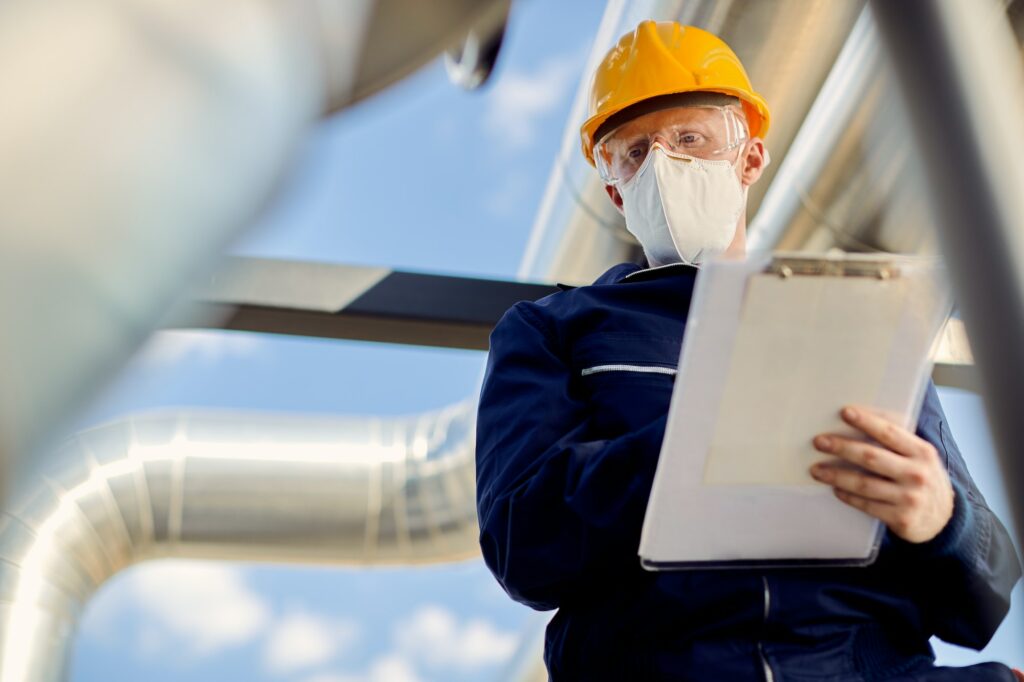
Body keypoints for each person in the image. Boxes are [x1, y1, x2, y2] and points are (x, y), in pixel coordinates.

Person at [475, 21, 1023, 681]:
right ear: (615, 190)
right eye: (635, 152)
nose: (665, 166)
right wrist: (698, 441)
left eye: (691, 139)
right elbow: (523, 548)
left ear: (750, 159)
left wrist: (944, 519)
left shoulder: (858, 321)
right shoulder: (552, 331)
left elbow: (984, 603)